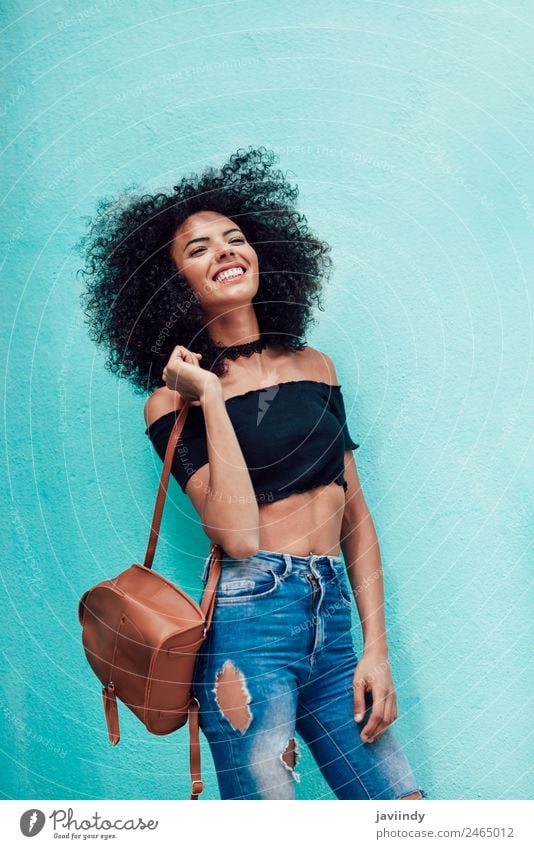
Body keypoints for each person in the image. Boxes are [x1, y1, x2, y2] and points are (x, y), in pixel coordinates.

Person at [79, 146, 425, 801]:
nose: (225, 252)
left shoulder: (316, 366)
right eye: (198, 249)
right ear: (171, 282)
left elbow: (354, 512)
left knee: (405, 817)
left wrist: (376, 649)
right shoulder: (171, 404)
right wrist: (209, 395)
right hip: (249, 631)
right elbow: (237, 535)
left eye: (235, 239)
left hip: (335, 626)